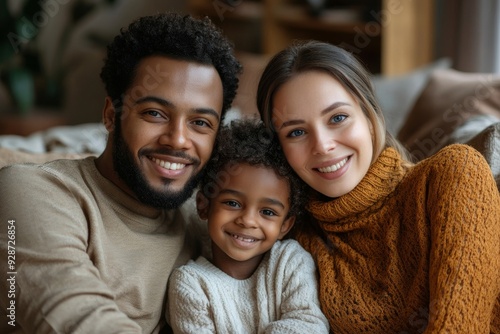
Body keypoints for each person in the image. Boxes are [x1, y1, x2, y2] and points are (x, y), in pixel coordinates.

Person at [0, 12, 241, 333]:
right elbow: (79, 321)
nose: (178, 140)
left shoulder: (207, 220)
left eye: (200, 123)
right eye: (155, 113)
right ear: (111, 116)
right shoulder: (32, 192)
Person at [256, 40, 500, 333]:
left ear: (370, 118)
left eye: (338, 118)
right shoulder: (292, 237)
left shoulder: (453, 175)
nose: (322, 145)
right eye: (296, 132)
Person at [167, 119, 329, 333]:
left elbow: (309, 324)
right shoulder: (190, 284)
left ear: (285, 225)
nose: (248, 220)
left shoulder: (291, 262)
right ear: (204, 205)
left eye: (268, 212)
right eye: (233, 203)